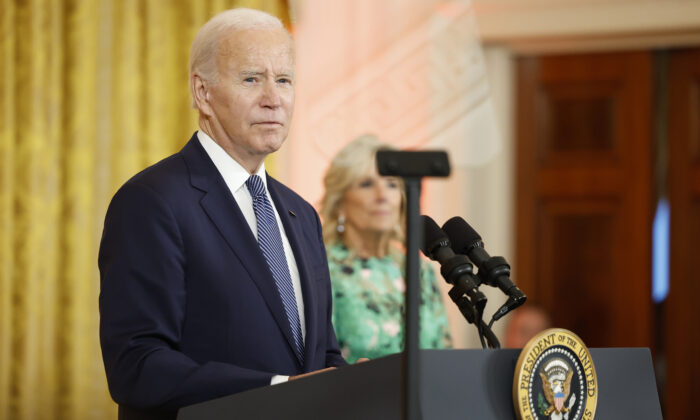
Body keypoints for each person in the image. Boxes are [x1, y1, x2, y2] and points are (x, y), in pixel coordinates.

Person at [98, 9, 346, 419]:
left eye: (284, 80)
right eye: (251, 79)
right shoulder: (152, 200)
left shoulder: (301, 213)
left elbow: (321, 355)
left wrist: (352, 382)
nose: (273, 98)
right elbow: (136, 365)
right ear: (203, 93)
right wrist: (276, 390)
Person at [319, 135, 452, 363]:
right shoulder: (322, 270)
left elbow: (445, 353)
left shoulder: (419, 269)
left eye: (391, 184)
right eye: (367, 184)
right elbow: (317, 365)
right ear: (340, 202)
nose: (382, 196)